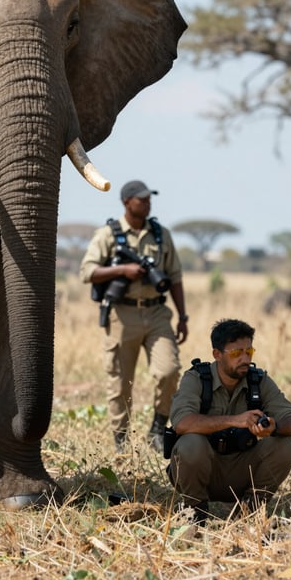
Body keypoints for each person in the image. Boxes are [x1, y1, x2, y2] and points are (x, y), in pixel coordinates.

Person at [80, 179, 188, 453]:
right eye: (142, 199)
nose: (147, 203)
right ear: (126, 202)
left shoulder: (161, 234)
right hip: (121, 314)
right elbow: (87, 271)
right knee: (120, 383)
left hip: (156, 313)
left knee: (169, 371)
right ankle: (121, 443)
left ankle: (158, 428)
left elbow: (174, 277)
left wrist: (183, 316)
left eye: (149, 199)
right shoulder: (108, 234)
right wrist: (122, 271)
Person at [168, 318, 291, 522]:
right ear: (217, 354)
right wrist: (234, 421)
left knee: (285, 445)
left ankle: (249, 510)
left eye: (249, 351)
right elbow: (182, 423)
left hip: (241, 470)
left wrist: (274, 427)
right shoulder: (195, 379)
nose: (245, 358)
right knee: (190, 443)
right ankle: (194, 511)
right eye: (236, 353)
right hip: (202, 470)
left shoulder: (258, 380)